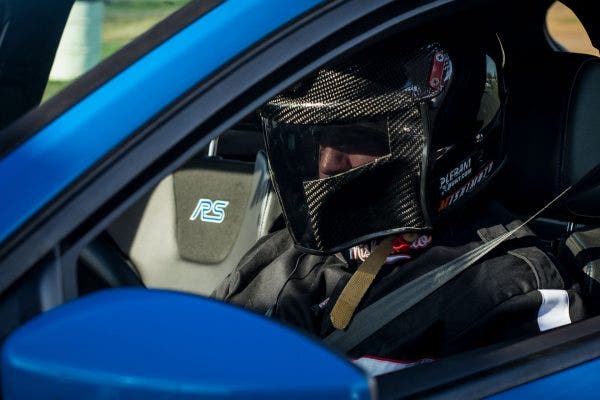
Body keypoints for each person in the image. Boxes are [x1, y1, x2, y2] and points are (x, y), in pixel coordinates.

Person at [212, 36, 587, 375]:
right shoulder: (285, 250)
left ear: (447, 137)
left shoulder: (515, 288)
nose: (327, 164)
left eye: (357, 136)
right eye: (318, 138)